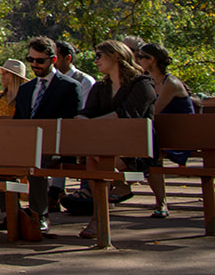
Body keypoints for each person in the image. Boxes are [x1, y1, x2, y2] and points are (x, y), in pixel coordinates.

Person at [75, 39, 159, 239]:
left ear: (115, 55)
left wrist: (92, 122)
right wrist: (81, 119)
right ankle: (101, 212)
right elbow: (89, 111)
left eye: (99, 56)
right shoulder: (101, 87)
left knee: (95, 156)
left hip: (137, 149)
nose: (95, 61)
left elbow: (128, 114)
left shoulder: (142, 83)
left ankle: (99, 216)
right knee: (93, 156)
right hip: (107, 146)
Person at [13, 36, 86, 232]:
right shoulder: (26, 89)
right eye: (31, 60)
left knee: (35, 160)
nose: (34, 64)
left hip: (56, 147)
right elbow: (18, 121)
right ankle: (12, 213)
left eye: (39, 60)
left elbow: (71, 125)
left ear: (53, 60)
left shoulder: (69, 87)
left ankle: (39, 214)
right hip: (28, 145)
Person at [139, 41, 195, 218]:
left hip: (180, 136)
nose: (138, 60)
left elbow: (153, 111)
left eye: (141, 57)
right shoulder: (149, 81)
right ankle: (121, 188)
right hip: (161, 133)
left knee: (146, 153)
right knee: (140, 151)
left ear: (152, 59)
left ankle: (160, 202)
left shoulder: (170, 83)